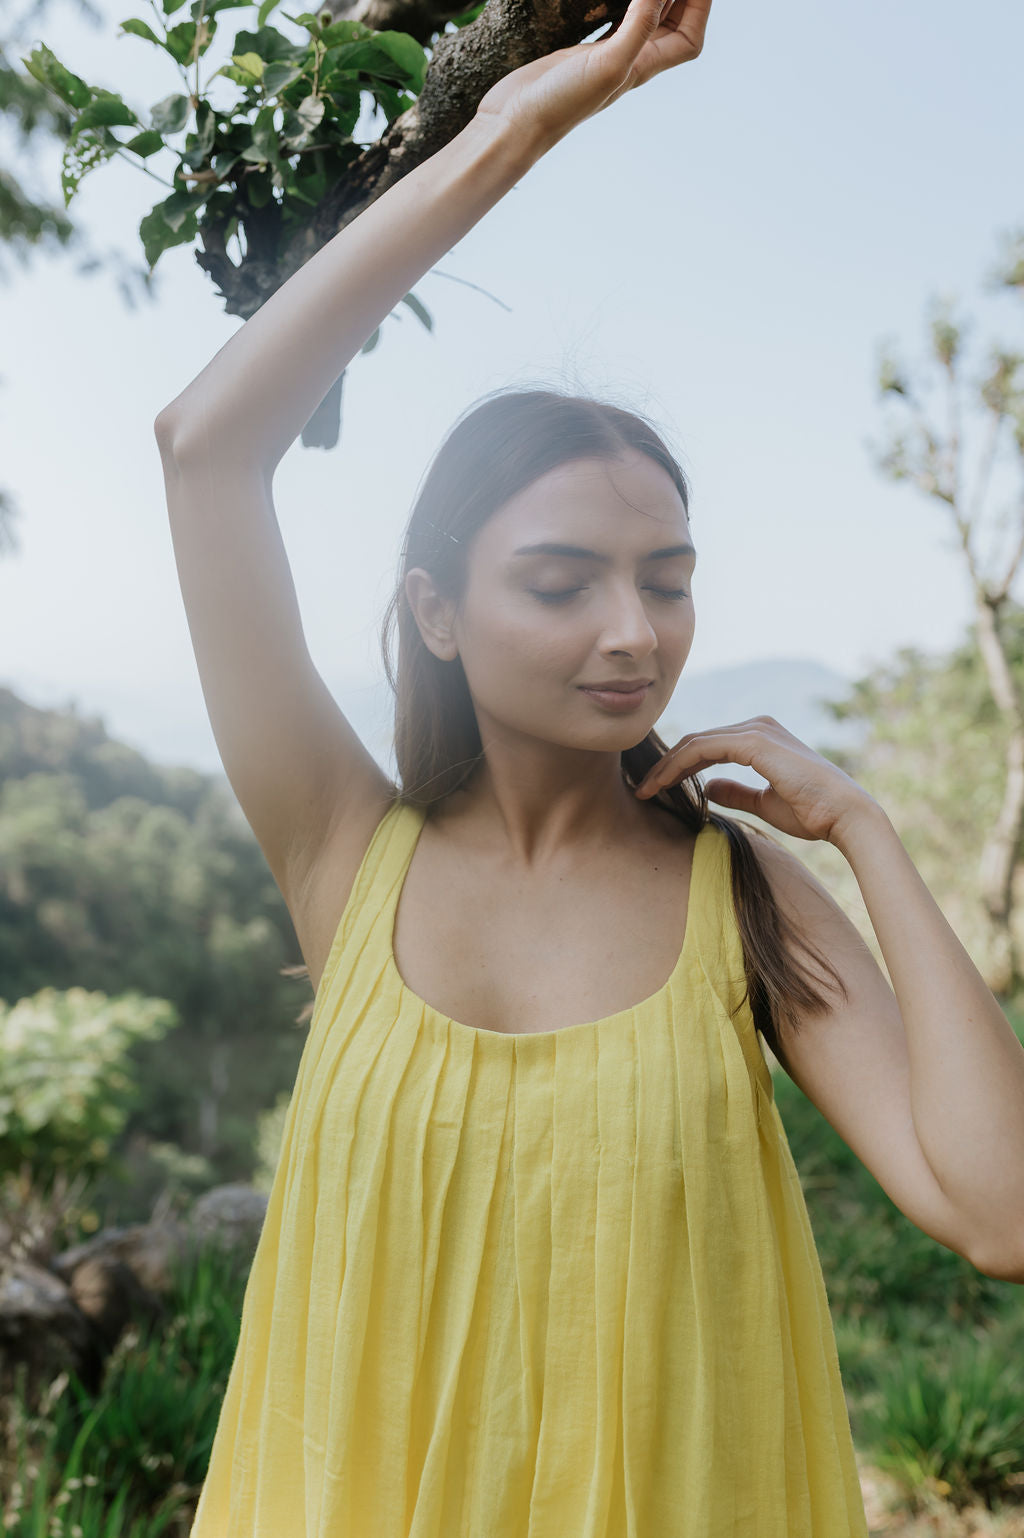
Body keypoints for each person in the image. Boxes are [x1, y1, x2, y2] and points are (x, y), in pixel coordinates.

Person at [154, 0, 1024, 1529]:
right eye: (562, 583)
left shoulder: (734, 893)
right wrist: (520, 130)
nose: (634, 632)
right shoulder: (345, 848)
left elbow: (995, 1209)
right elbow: (206, 447)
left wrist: (868, 835)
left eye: (669, 579)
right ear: (437, 611)